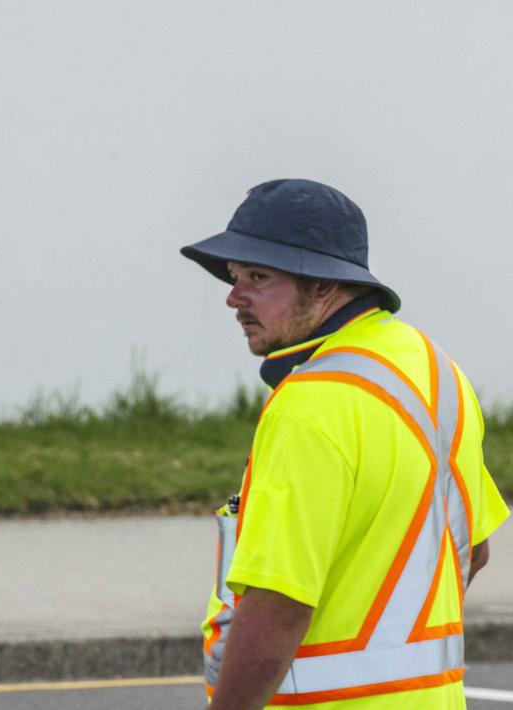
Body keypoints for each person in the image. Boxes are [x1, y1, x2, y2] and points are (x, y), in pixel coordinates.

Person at [180, 179, 509, 709]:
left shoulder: (309, 404)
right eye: (234, 277)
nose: (233, 297)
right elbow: (475, 547)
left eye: (258, 277)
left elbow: (278, 603)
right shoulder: (432, 368)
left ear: (324, 286)